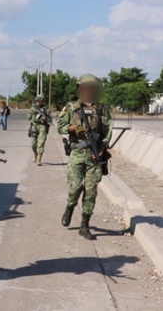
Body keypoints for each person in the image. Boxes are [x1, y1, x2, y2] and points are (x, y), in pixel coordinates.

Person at [57, 74, 113, 240]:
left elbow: (108, 130)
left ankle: (84, 225)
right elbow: (60, 126)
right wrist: (74, 128)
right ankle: (70, 207)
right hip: (77, 153)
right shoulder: (71, 107)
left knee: (91, 191)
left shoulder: (102, 108)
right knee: (75, 187)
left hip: (94, 155)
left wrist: (102, 147)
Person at [28, 96, 52, 165]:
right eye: (38, 101)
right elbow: (28, 118)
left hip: (42, 127)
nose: (39, 102)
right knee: (33, 144)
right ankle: (35, 154)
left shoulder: (46, 109)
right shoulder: (33, 108)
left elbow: (50, 119)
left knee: (41, 144)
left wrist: (46, 118)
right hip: (34, 126)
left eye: (40, 101)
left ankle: (39, 159)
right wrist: (32, 112)